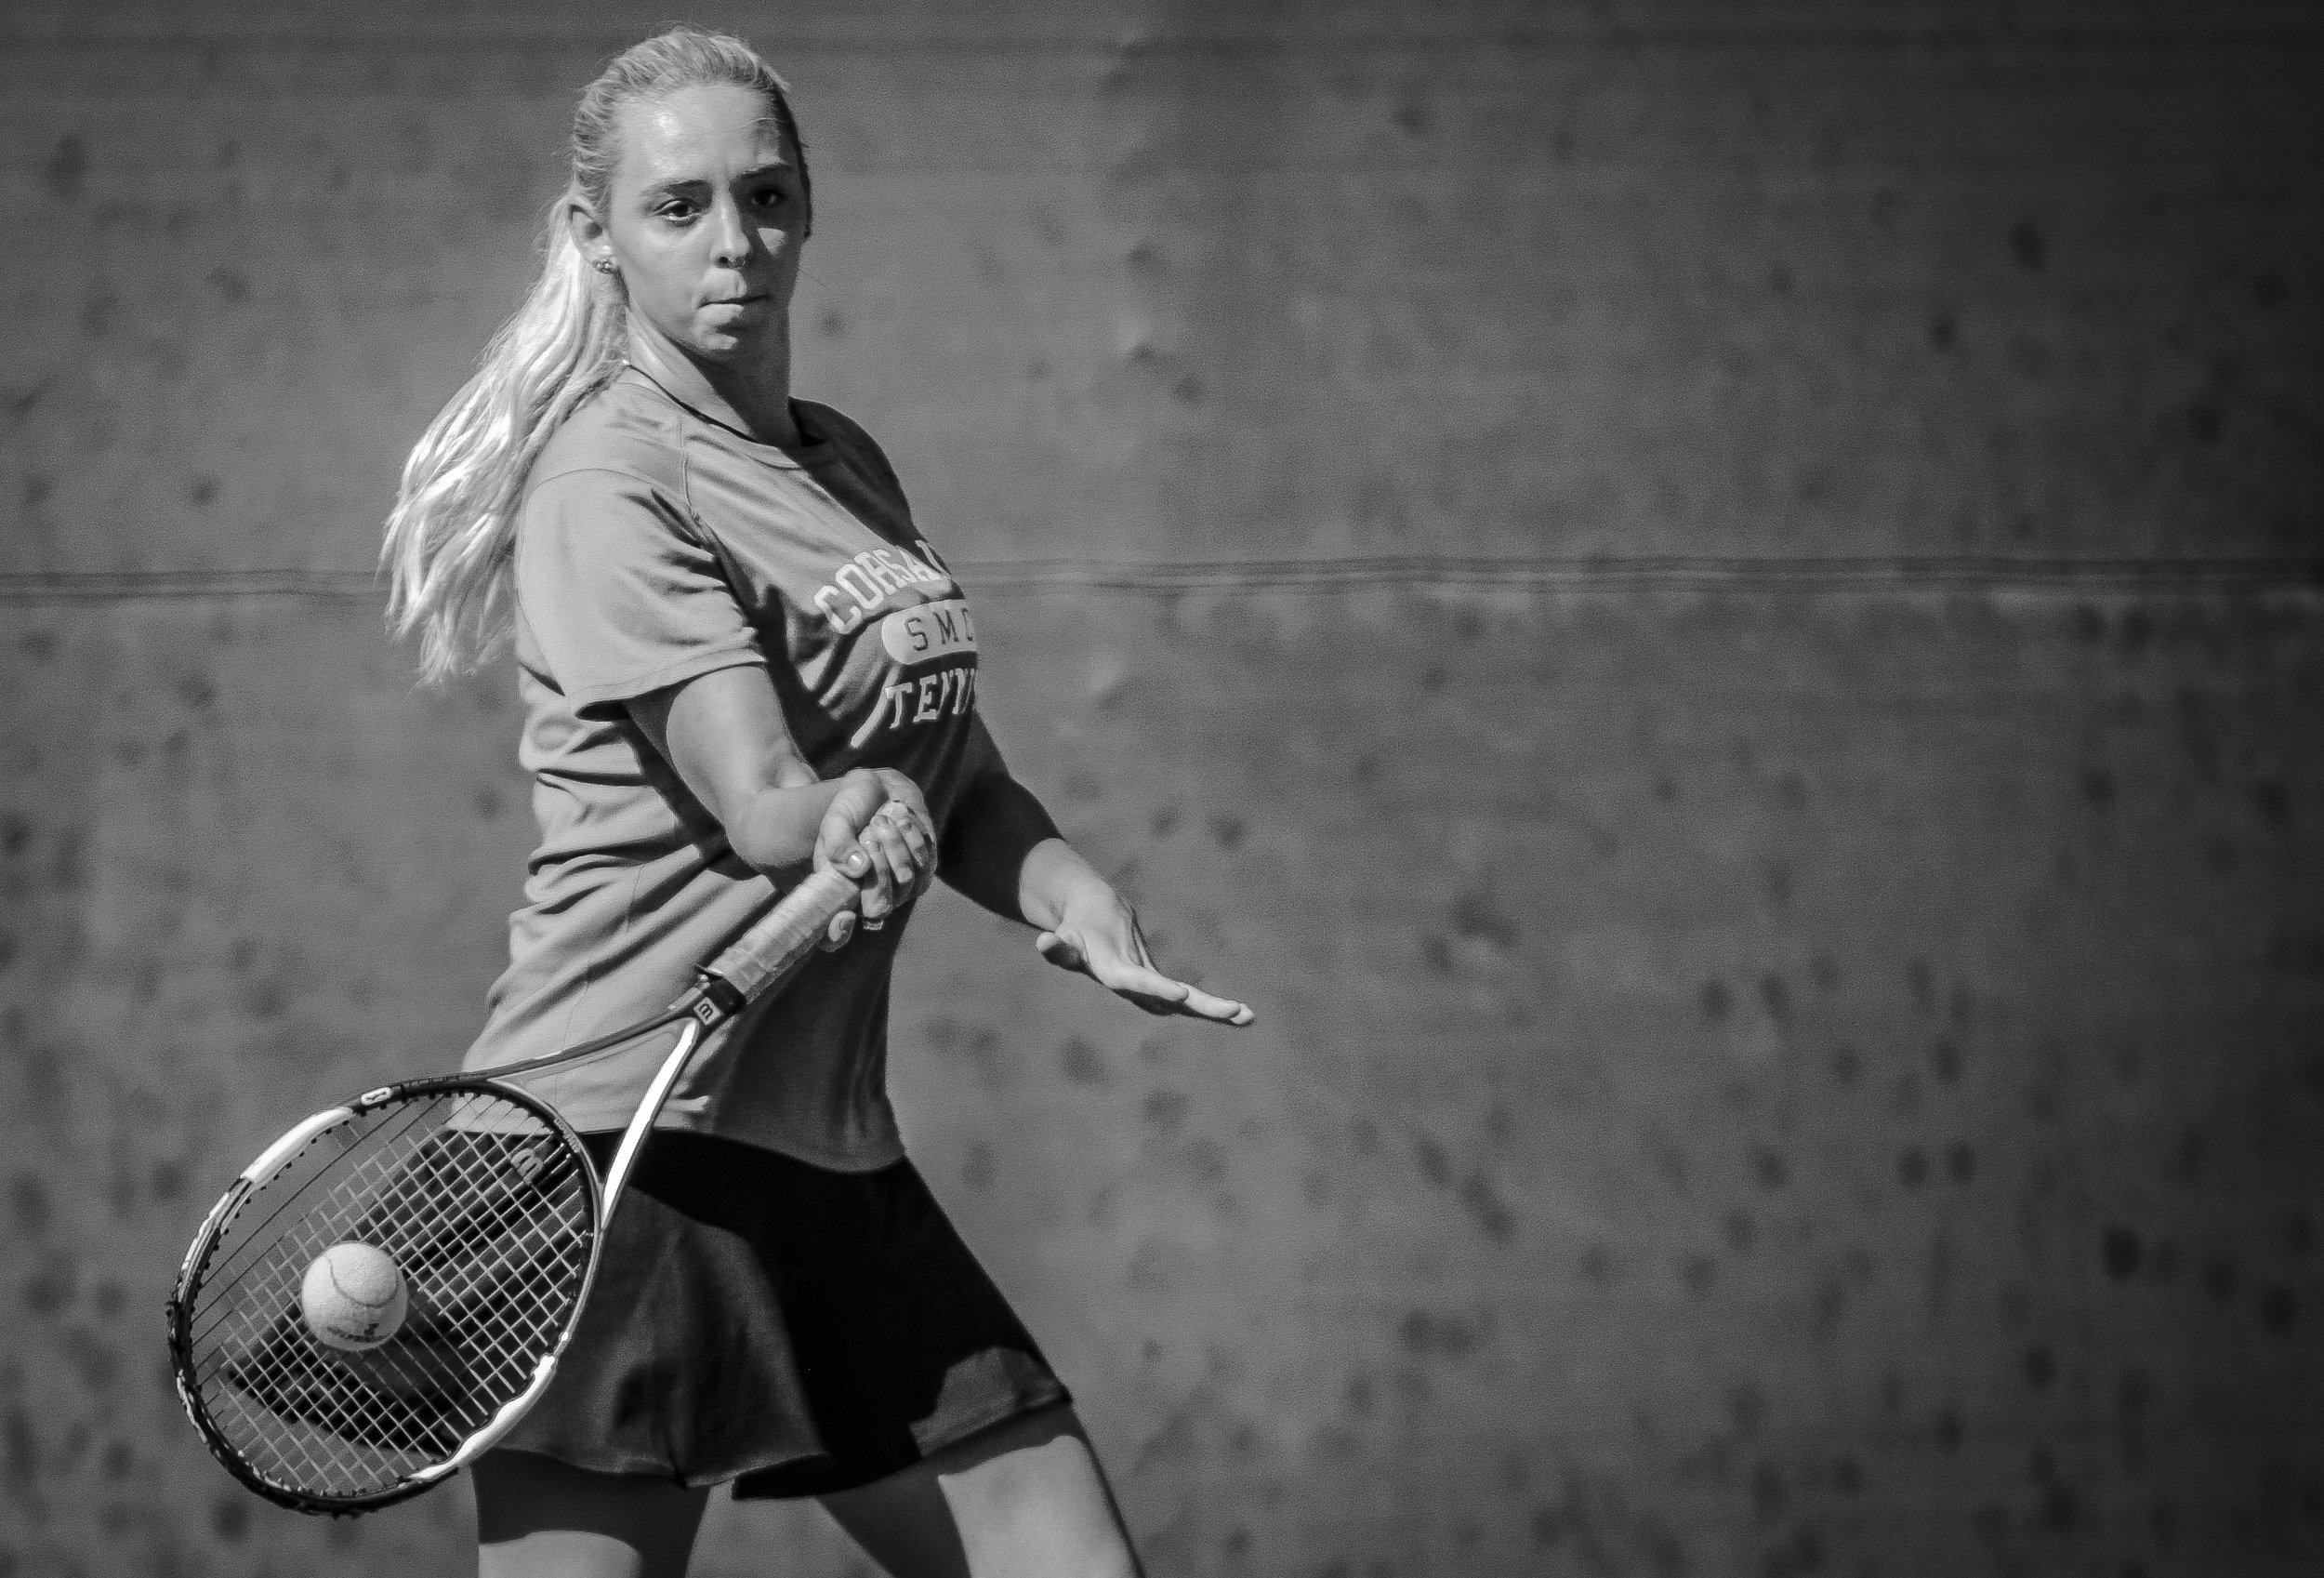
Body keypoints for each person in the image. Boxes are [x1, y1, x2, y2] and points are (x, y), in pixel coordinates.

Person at [379, 26, 1251, 1578]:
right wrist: (830, 816)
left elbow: (954, 771)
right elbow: (765, 792)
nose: (735, 245)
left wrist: (1070, 894)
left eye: (766, 197)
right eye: (681, 208)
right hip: (625, 1161)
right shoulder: (607, 483)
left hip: (832, 1156)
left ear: (806, 207)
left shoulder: (844, 462)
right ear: (598, 238)